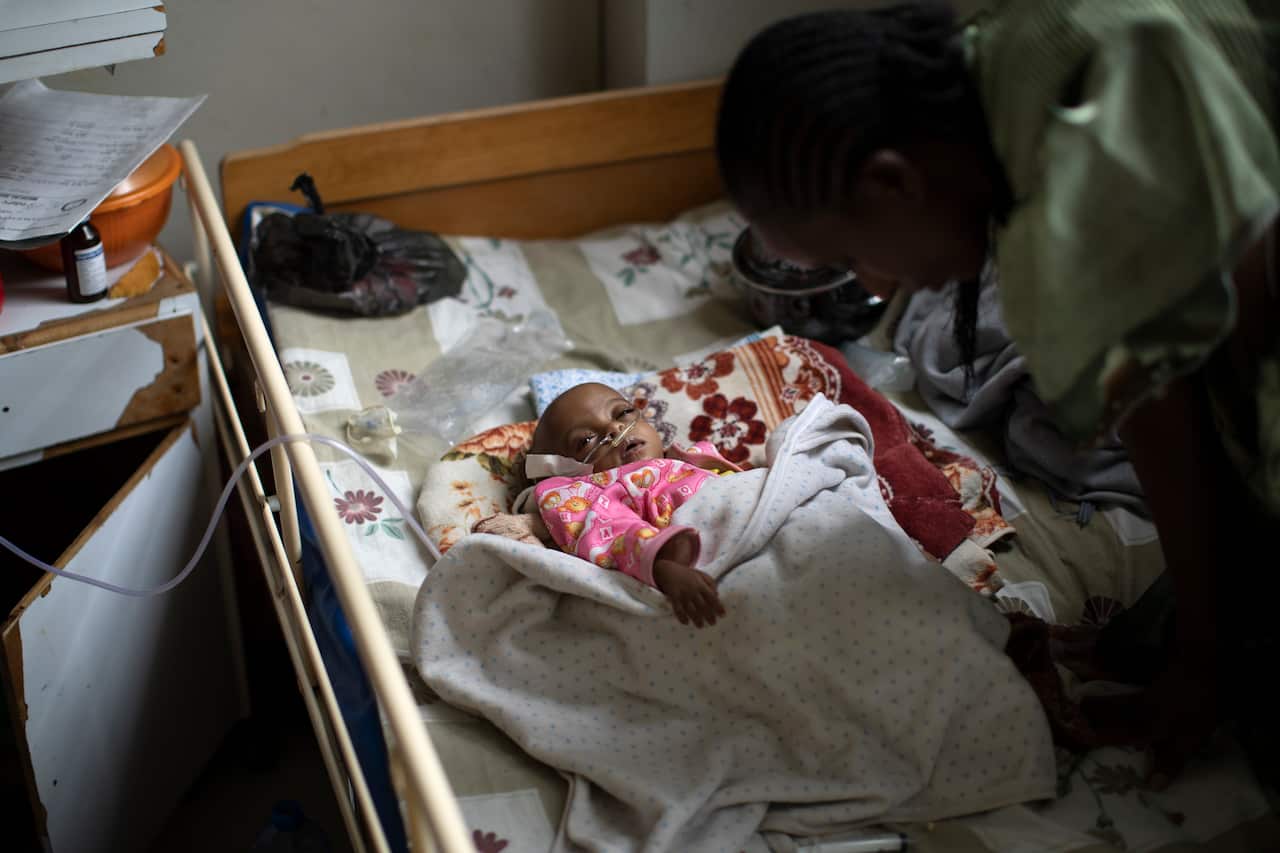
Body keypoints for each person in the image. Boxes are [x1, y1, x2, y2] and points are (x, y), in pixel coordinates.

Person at [715, 0, 1279, 788]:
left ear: (892, 182)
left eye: (853, 251)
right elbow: (1152, 375)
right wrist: (1195, 636)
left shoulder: (1110, 94)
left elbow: (1201, 387)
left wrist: (1204, 655)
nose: (879, 286)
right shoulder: (993, 80)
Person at [473, 382, 739, 628]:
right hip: (708, 553)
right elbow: (615, 532)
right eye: (586, 440)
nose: (614, 429)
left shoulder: (692, 458)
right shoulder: (595, 492)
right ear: (563, 473)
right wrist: (661, 565)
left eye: (622, 412)